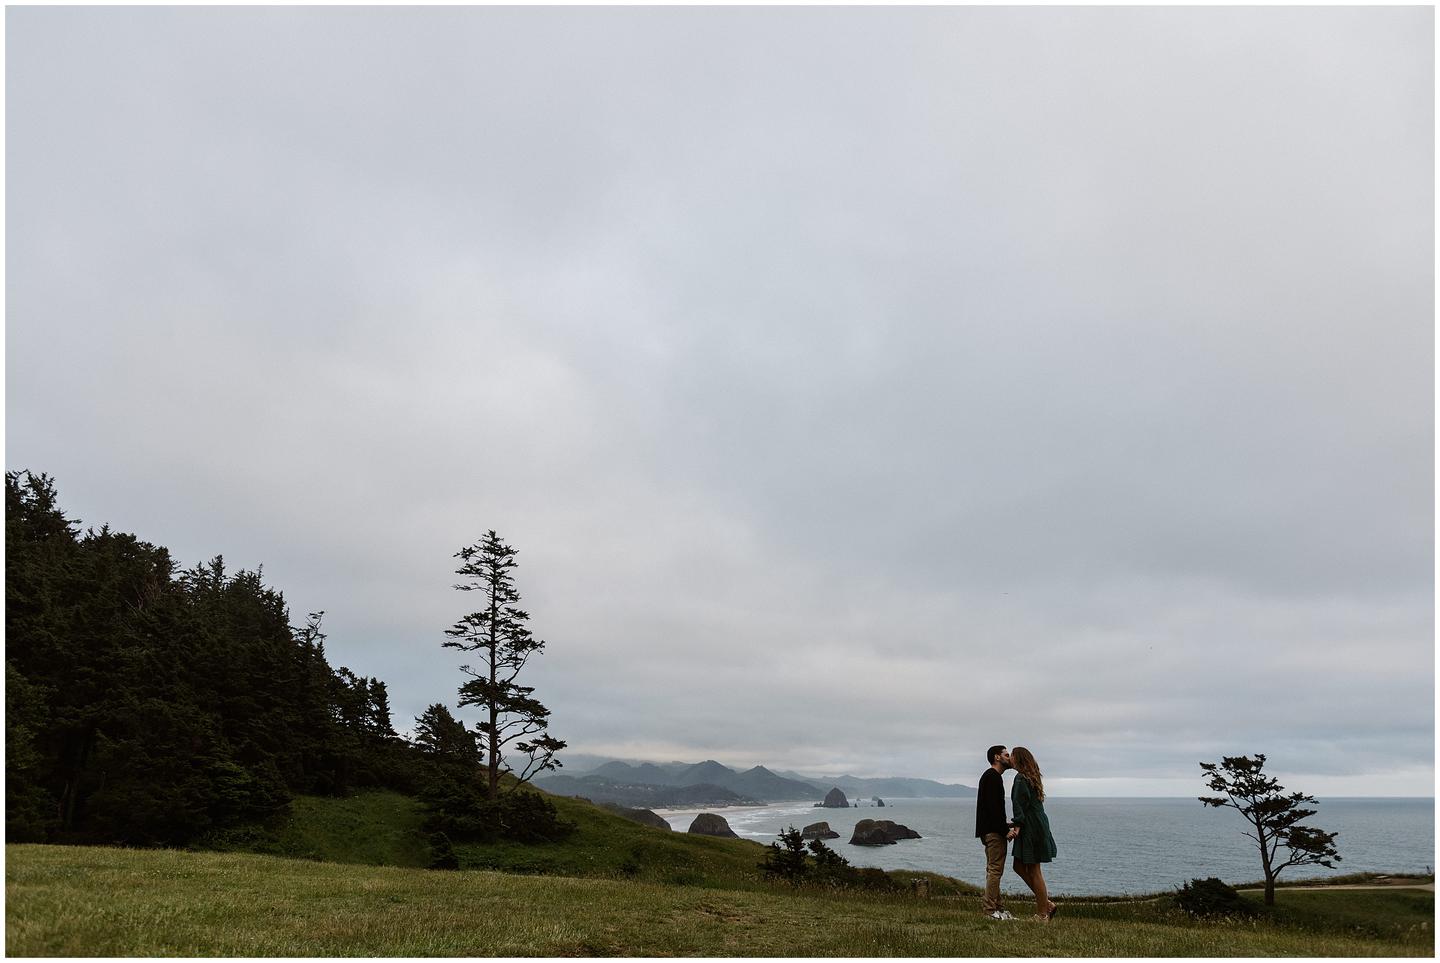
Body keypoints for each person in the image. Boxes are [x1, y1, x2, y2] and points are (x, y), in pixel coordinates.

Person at [1009, 746, 1059, 921]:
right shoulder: (1032, 776)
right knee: (1019, 866)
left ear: (1018, 758)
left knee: (1035, 870)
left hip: (1030, 825)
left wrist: (1017, 825)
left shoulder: (1020, 779)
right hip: (1038, 822)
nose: (1010, 758)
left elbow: (1019, 804)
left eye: (1012, 755)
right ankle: (1047, 904)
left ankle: (1043, 914)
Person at [974, 745, 1015, 920]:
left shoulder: (990, 777)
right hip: (993, 833)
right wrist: (1005, 830)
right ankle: (990, 911)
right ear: (997, 757)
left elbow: (992, 809)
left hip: (989, 830)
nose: (1010, 757)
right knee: (995, 871)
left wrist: (1004, 825)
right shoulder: (993, 777)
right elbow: (993, 808)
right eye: (1007, 755)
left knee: (993, 870)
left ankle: (998, 908)